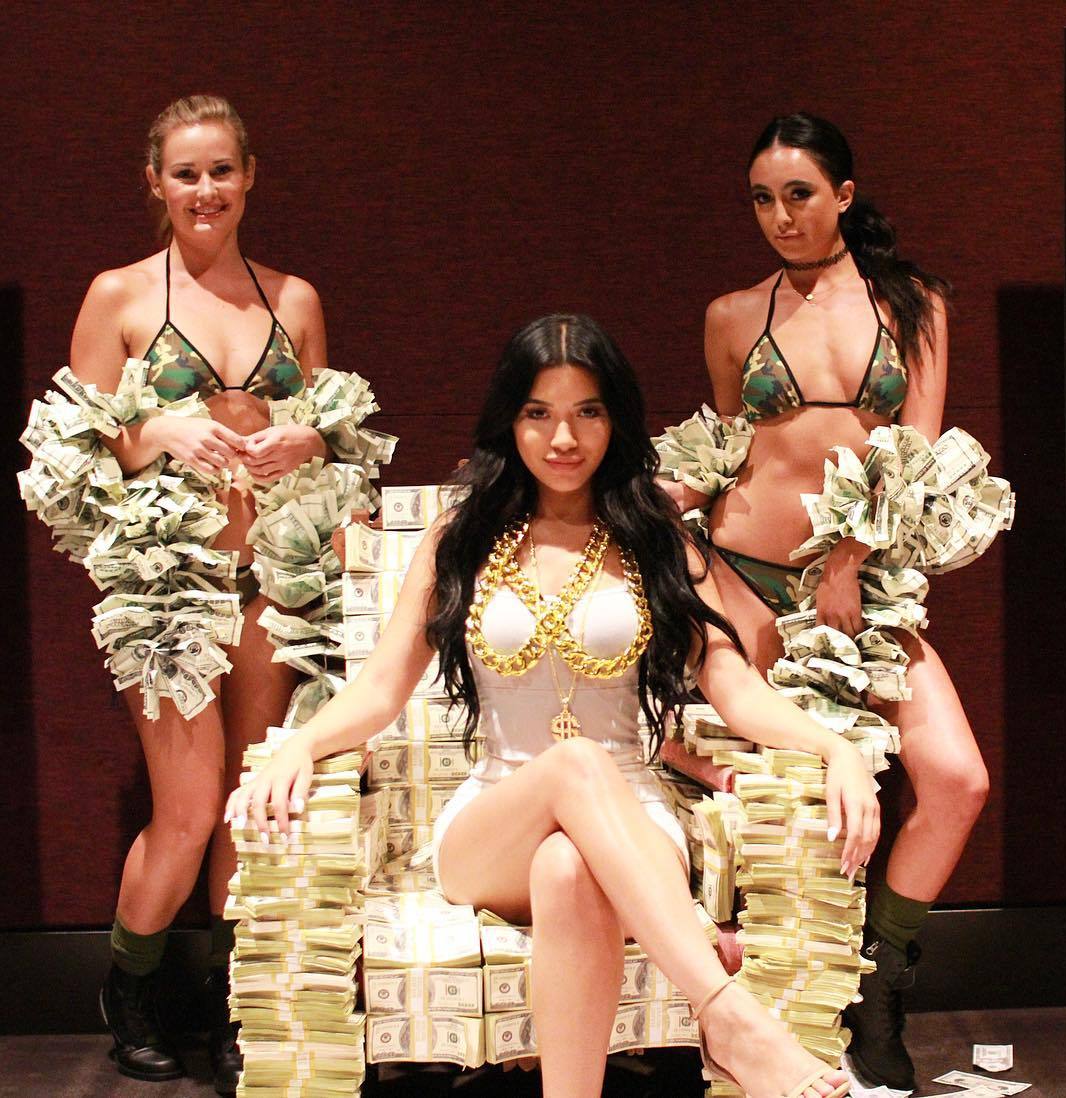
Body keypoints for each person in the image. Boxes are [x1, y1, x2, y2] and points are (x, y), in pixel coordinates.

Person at [226, 313, 879, 1098]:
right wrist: (301, 743)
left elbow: (733, 686)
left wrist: (837, 748)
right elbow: (379, 686)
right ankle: (728, 1018)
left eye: (586, 412)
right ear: (510, 418)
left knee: (568, 866)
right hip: (491, 822)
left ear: (615, 420)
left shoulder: (655, 539)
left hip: (636, 822)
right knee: (574, 766)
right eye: (539, 412)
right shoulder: (461, 539)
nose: (562, 438)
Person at [665, 113, 983, 1094]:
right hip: (743, 572)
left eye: (799, 194)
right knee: (776, 800)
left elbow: (916, 456)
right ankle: (772, 1022)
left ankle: (878, 989)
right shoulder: (734, 315)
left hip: (861, 586)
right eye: (762, 199)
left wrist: (848, 559)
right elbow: (726, 449)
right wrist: (664, 513)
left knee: (956, 779)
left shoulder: (915, 306)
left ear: (843, 195)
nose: (780, 216)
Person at [70, 95, 330, 1092]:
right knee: (184, 811)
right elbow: (72, 449)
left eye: (222, 170)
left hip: (270, 580)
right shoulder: (121, 297)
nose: (206, 190)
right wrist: (156, 432)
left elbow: (335, 437)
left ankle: (233, 1000)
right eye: (186, 174)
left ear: (249, 175)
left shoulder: (293, 299)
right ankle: (129, 988)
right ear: (156, 183)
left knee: (245, 808)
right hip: (168, 590)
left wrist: (308, 439)